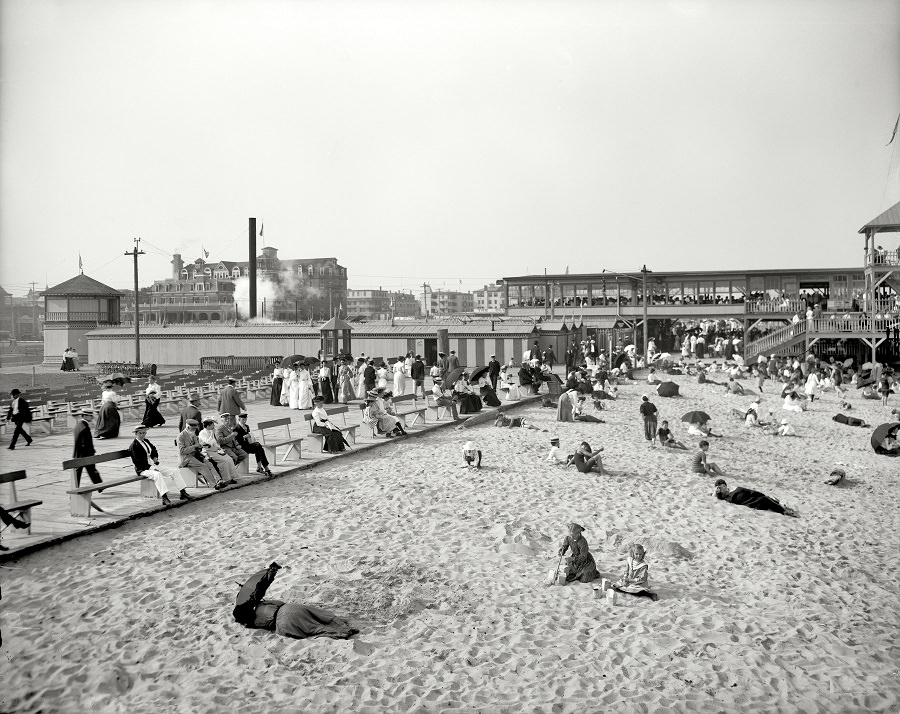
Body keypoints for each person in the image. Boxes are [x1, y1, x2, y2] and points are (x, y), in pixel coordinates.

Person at [233, 562, 358, 640]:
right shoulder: (257, 603)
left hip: (284, 626)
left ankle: (343, 633)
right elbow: (260, 588)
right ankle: (344, 627)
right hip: (289, 609)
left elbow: (258, 592)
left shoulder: (252, 622)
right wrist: (272, 572)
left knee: (315, 628)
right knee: (322, 616)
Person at [128, 425, 193, 506]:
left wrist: (155, 457)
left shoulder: (146, 441)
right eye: (140, 433)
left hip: (153, 465)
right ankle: (164, 497)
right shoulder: (134, 446)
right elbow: (138, 462)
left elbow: (153, 449)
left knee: (174, 471)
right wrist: (151, 468)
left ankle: (183, 492)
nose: (142, 435)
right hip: (143, 469)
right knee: (157, 474)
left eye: (144, 433)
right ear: (136, 434)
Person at [177, 419, 223, 489]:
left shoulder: (193, 434)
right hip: (186, 458)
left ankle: (219, 480)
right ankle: (213, 484)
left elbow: (197, 446)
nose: (195, 430)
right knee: (203, 466)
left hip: (195, 455)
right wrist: (195, 446)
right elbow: (182, 451)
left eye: (195, 428)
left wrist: (201, 446)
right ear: (188, 427)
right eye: (193, 429)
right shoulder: (181, 436)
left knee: (209, 463)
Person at [714, 479, 798, 516]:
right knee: (766, 500)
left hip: (755, 499)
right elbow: (718, 497)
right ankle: (784, 510)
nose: (722, 488)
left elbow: (751, 492)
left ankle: (784, 509)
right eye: (720, 487)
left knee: (767, 499)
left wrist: (762, 494)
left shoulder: (737, 489)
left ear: (726, 485)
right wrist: (717, 491)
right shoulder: (725, 497)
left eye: (723, 486)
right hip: (752, 504)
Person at [198, 418, 238, 485]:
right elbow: (209, 442)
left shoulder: (212, 431)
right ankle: (225, 479)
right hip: (208, 451)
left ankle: (231, 478)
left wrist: (219, 448)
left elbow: (216, 442)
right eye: (212, 425)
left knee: (229, 459)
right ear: (208, 426)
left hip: (215, 450)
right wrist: (212, 433)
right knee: (224, 461)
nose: (214, 426)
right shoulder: (202, 433)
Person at [72, 410, 102, 486]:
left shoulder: (79, 425)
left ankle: (99, 486)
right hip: (85, 454)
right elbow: (85, 444)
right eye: (90, 416)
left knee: (80, 473)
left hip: (78, 454)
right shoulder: (85, 427)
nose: (92, 417)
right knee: (91, 470)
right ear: (84, 416)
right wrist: (91, 454)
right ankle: (100, 486)